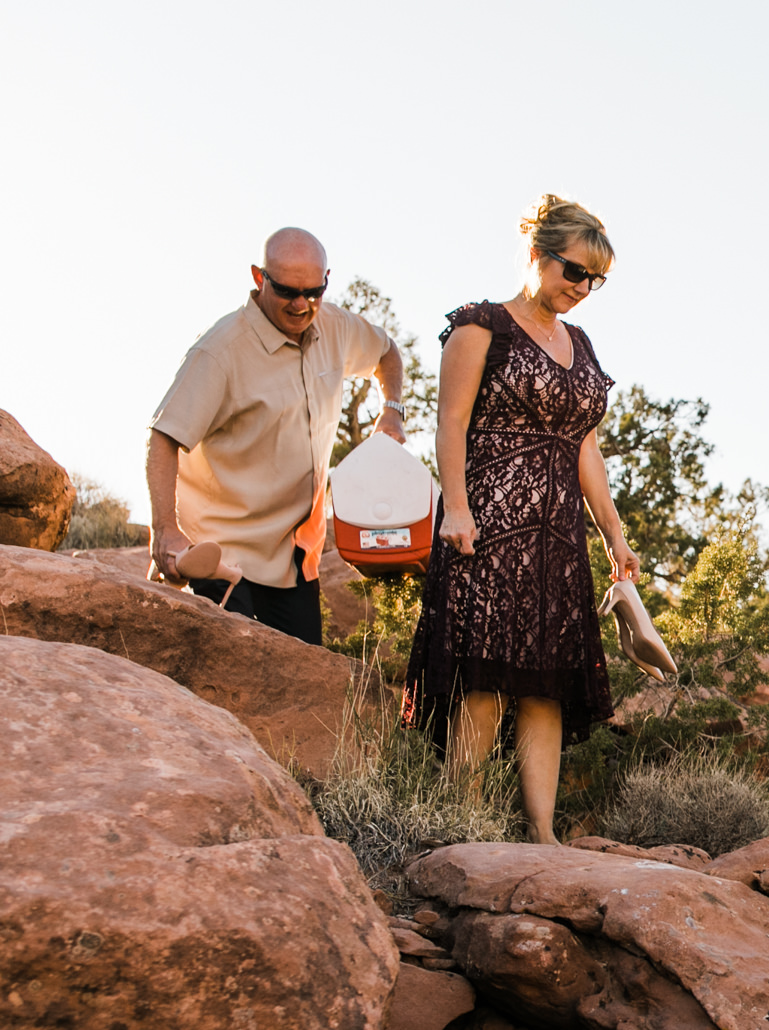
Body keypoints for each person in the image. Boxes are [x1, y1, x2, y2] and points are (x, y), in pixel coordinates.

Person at [402, 195, 638, 844]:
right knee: (483, 677)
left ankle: (543, 835)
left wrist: (613, 534)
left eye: (597, 280)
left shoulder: (581, 344)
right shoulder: (481, 325)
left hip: (558, 538)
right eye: (574, 272)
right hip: (486, 526)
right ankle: (461, 824)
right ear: (537, 255)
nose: (584, 289)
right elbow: (449, 421)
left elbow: (585, 445)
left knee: (547, 687)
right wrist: (455, 506)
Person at [146, 227, 408, 641]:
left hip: (294, 562)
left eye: (313, 291)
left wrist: (391, 412)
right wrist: (164, 530)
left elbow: (387, 352)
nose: (302, 304)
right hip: (219, 555)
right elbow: (163, 439)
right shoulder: (219, 352)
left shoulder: (335, 325)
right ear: (258, 278)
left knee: (306, 694)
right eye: (287, 291)